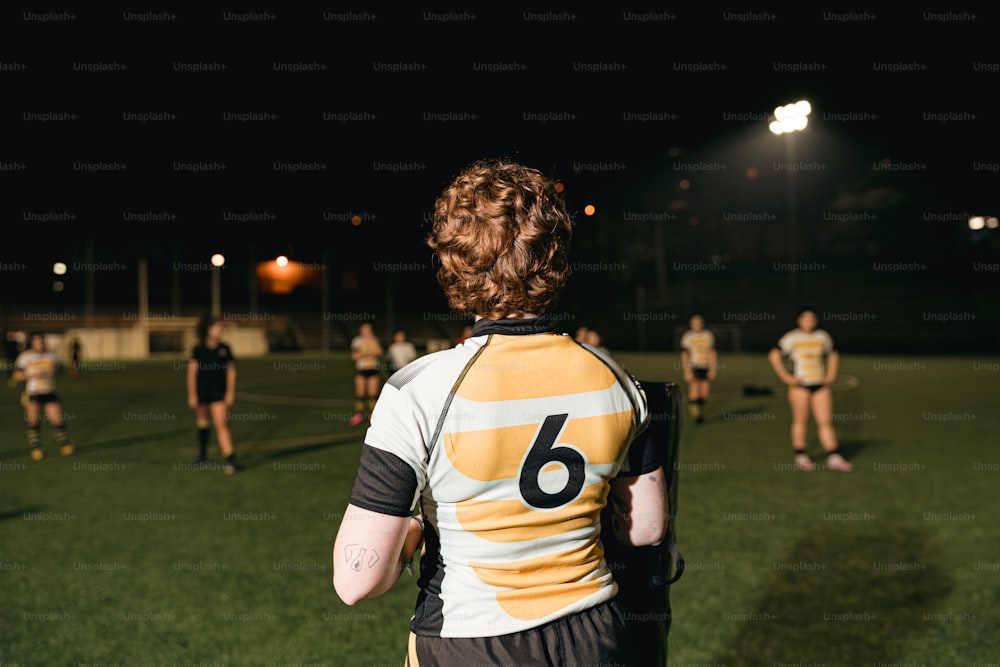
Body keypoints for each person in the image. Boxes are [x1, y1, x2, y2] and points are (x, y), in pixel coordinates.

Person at [332, 158, 669, 666]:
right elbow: (646, 528)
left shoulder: (419, 389)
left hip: (471, 640)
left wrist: (421, 528)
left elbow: (357, 581)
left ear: (453, 259)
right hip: (596, 634)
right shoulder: (615, 376)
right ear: (553, 256)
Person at [768, 306, 852, 472]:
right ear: (799, 321)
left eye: (812, 318)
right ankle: (801, 455)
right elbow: (774, 354)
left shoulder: (822, 336)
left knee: (825, 421)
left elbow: (833, 353)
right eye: (805, 318)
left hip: (819, 385)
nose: (809, 321)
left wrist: (830, 374)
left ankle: (834, 456)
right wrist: (786, 377)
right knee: (801, 420)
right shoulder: (792, 337)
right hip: (800, 386)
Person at [187, 314, 240, 474]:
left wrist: (230, 393)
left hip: (219, 393)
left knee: (221, 424)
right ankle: (202, 457)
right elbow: (191, 373)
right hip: (202, 392)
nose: (221, 329)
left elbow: (231, 371)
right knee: (203, 422)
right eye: (217, 326)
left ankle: (231, 460)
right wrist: (192, 395)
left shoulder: (224, 349)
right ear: (209, 330)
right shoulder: (198, 349)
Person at [14, 332, 74, 460]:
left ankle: (64, 444)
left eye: (41, 342)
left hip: (49, 392)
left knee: (57, 419)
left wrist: (53, 372)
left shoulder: (52, 356)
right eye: (37, 342)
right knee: (33, 421)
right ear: (32, 343)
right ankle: (36, 448)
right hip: (33, 393)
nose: (39, 344)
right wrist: (32, 374)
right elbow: (16, 375)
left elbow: (60, 371)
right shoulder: (25, 357)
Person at [679, 313, 717, 424]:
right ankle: (697, 417)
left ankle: (700, 413)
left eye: (699, 322)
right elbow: (685, 354)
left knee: (704, 394)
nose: (697, 324)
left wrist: (712, 369)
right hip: (694, 366)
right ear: (691, 324)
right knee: (695, 392)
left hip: (705, 366)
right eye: (695, 322)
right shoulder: (688, 337)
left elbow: (712, 352)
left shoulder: (708, 335)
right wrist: (687, 371)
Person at [349, 322, 384, 426]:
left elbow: (379, 352)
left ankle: (372, 415)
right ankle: (358, 415)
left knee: (373, 394)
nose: (367, 331)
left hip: (372, 368)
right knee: (360, 394)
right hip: (361, 369)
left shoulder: (374, 339)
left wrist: (372, 341)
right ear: (361, 330)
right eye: (365, 329)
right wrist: (366, 353)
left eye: (369, 329)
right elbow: (354, 356)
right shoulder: (357, 341)